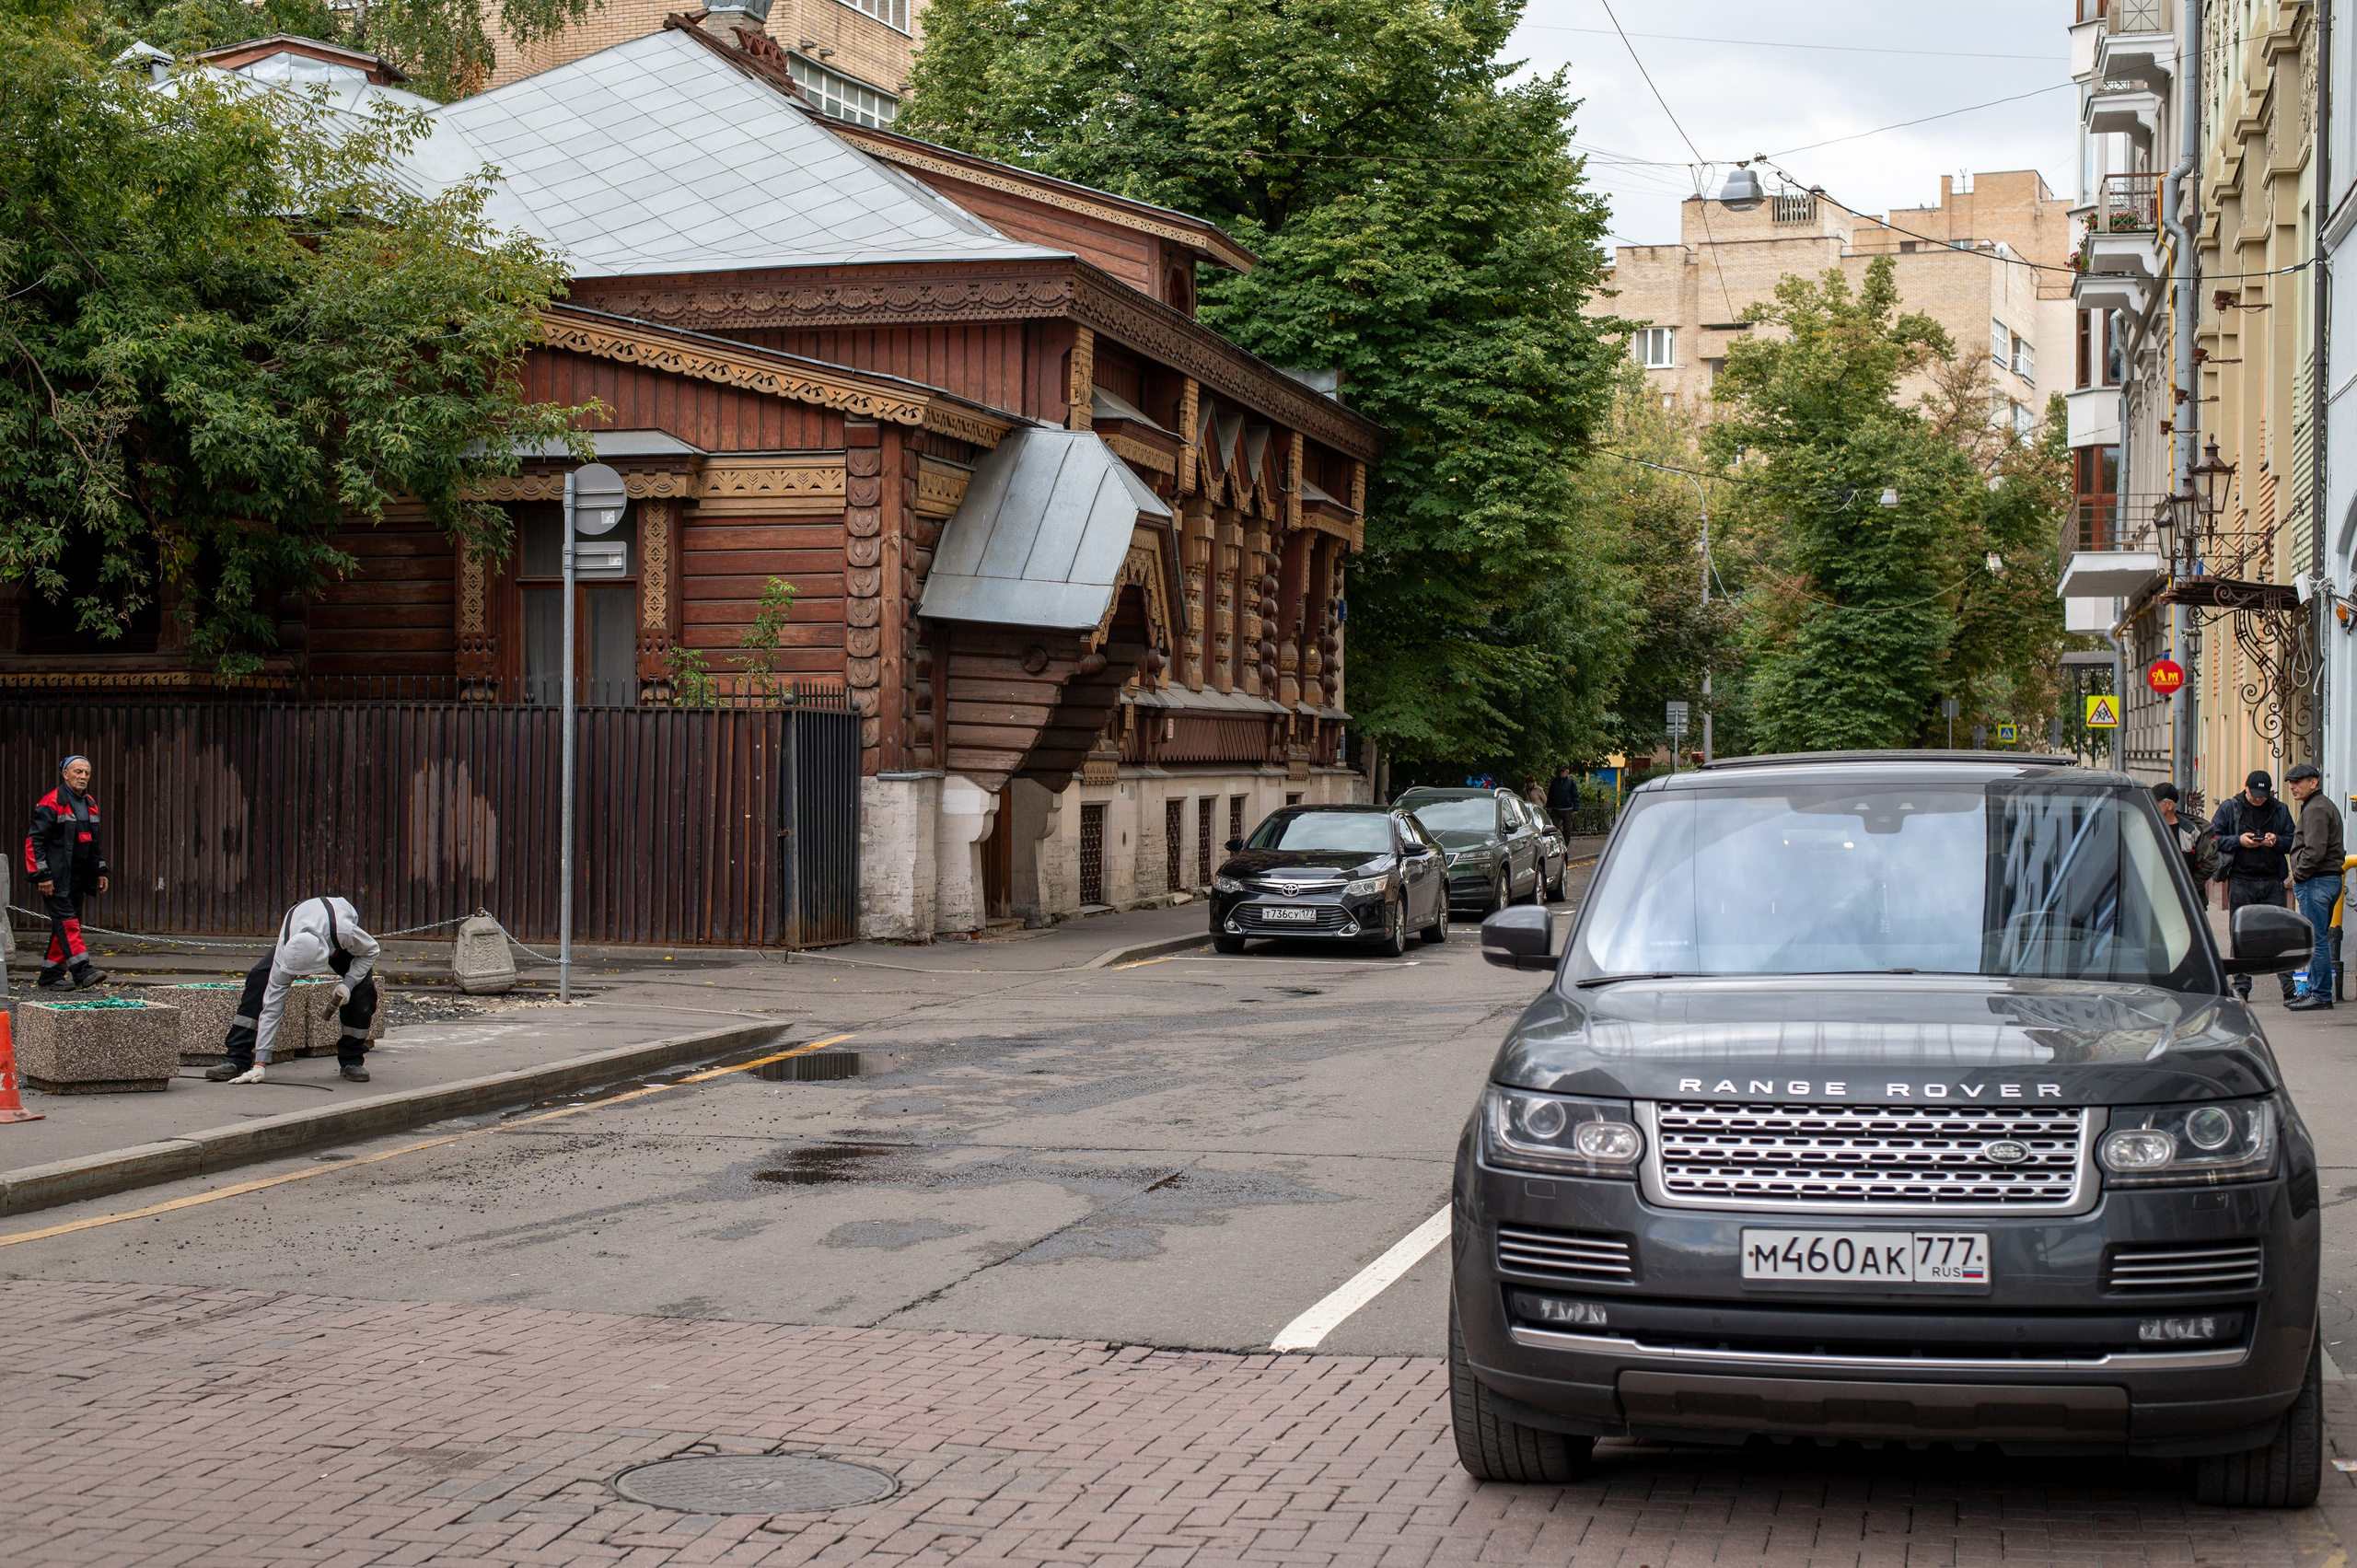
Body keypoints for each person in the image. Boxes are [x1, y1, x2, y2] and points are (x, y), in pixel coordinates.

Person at [203, 896, 381, 1084]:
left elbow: (370, 951)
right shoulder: (286, 950)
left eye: (304, 974)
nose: (301, 978)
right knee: (259, 979)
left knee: (363, 990)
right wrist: (260, 1065)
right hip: (304, 932)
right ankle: (237, 1059)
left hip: (336, 932)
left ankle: (352, 1061)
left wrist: (348, 984)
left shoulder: (345, 932)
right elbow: (272, 1007)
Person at [2211, 770, 2300, 1004]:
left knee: (2279, 934)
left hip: (2273, 882)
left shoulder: (2280, 809)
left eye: (2264, 795)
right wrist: (2238, 841)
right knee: (2241, 936)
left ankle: (2289, 988)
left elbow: (2293, 840)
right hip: (2241, 881)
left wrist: (2276, 841)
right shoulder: (2231, 807)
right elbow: (2213, 838)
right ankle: (2241, 986)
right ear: (2246, 788)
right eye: (2255, 794)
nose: (2259, 799)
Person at [24, 754, 109, 990]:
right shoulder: (51, 803)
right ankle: (82, 972)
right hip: (55, 878)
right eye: (78, 772)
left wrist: (100, 871)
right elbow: (34, 842)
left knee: (66, 925)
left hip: (77, 878)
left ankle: (50, 976)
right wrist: (43, 876)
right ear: (65, 774)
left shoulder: (90, 803)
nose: (83, 776)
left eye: (86, 773)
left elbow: (93, 843)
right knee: (69, 924)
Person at [2286, 763, 2345, 1011]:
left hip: (2317, 880)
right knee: (2316, 939)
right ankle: (2312, 991)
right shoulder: (2318, 806)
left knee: (2316, 941)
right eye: (2291, 783)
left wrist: (2298, 875)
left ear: (2314, 783)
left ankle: (2320, 994)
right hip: (2326, 880)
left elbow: (2314, 851)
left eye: (2298, 782)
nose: (2293, 787)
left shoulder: (2316, 809)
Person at [2153, 784, 2218, 887]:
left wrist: (2192, 887)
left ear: (2169, 805)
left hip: (2185, 896)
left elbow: (2210, 863)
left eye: (2155, 803)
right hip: (2156, 893)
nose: (2151, 806)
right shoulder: (2148, 827)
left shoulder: (2191, 831)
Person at [1547, 764, 1582, 839]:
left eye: (1563, 771)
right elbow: (1550, 794)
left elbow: (1575, 795)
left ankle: (1565, 845)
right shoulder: (1555, 782)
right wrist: (1549, 806)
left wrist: (1576, 808)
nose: (1561, 773)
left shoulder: (1571, 783)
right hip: (1556, 809)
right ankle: (1559, 842)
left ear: (1567, 772)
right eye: (1560, 771)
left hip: (1567, 809)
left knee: (1567, 830)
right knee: (1555, 828)